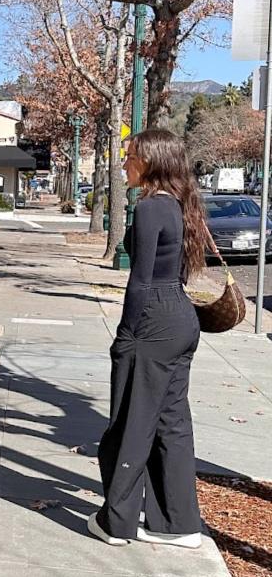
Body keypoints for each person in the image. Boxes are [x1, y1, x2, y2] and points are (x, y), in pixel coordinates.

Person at [89, 129, 208, 549]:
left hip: (153, 323)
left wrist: (125, 335)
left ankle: (116, 523)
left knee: (131, 424)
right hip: (180, 320)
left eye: (130, 157)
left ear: (152, 161)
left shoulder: (151, 209)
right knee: (171, 426)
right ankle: (179, 524)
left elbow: (139, 282)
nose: (124, 164)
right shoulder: (180, 205)